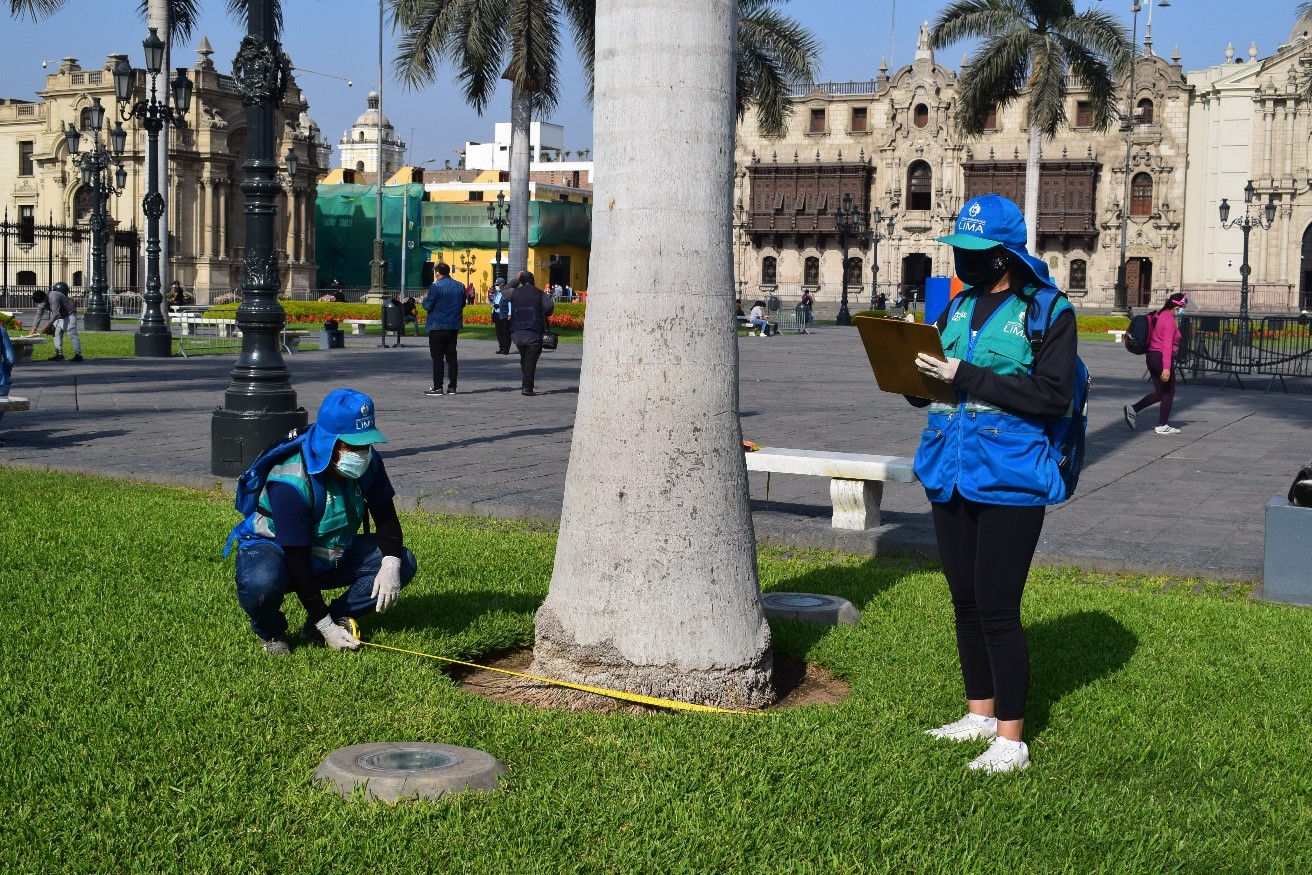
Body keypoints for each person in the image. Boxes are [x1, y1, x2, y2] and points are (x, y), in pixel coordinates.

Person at [909, 194, 1077, 774]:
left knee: (999, 606)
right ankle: (979, 713)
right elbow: (940, 383)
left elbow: (1053, 394)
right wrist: (911, 372)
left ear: (1006, 255)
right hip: (949, 469)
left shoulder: (1047, 310)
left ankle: (1011, 739)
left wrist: (967, 374)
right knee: (964, 600)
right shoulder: (957, 308)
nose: (966, 261)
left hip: (1010, 475)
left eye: (978, 253)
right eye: (961, 250)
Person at [226, 389, 419, 655]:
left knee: (403, 561)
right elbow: (297, 560)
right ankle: (271, 632)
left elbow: (386, 518)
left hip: (331, 550)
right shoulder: (290, 480)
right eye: (353, 445)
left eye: (366, 444)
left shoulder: (368, 462)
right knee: (261, 583)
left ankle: (333, 616)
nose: (362, 452)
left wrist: (391, 563)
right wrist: (326, 626)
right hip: (279, 553)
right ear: (329, 442)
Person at [1125, 292, 1188, 435]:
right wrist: (1166, 367)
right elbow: (1166, 345)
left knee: (1160, 392)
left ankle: (1133, 409)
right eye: (1183, 307)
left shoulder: (1161, 314)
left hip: (1152, 357)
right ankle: (1163, 424)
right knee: (1168, 392)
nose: (1183, 310)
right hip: (1161, 358)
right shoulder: (1169, 321)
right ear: (1178, 306)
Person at [422, 261, 467, 396]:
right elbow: (463, 303)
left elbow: (428, 306)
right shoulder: (460, 286)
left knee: (437, 358)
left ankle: (438, 386)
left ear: (438, 273)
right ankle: (452, 386)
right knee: (452, 357)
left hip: (437, 326)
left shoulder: (436, 287)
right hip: (453, 326)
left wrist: (424, 299)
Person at [506, 270, 554, 396]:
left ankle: (526, 383)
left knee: (525, 358)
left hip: (517, 332)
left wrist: (515, 279)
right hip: (534, 331)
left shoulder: (514, 292)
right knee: (531, 361)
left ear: (521, 281)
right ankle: (527, 387)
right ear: (533, 280)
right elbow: (549, 308)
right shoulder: (539, 293)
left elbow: (504, 291)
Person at [28, 282, 82, 362]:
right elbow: (38, 315)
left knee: (71, 333)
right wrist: (33, 329)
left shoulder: (54, 296)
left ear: (45, 298)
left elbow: (55, 313)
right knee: (56, 335)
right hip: (59, 316)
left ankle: (78, 355)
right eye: (38, 303)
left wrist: (47, 326)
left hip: (69, 314)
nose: (40, 304)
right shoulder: (41, 301)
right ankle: (59, 355)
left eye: (40, 302)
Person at [488, 278, 513, 354]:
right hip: (497, 314)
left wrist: (509, 314)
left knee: (505, 332)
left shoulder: (506, 293)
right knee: (499, 333)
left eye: (497, 285)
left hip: (505, 315)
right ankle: (501, 347)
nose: (496, 286)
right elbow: (494, 304)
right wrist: (492, 313)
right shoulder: (496, 293)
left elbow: (510, 304)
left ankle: (506, 349)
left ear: (502, 285)